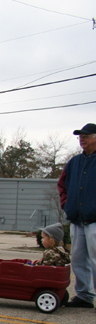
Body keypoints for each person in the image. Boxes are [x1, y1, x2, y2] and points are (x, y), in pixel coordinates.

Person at [58, 123, 96, 309]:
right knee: (79, 259)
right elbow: (62, 185)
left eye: (86, 135)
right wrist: (67, 205)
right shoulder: (74, 162)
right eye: (80, 136)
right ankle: (84, 296)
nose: (82, 138)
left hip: (94, 220)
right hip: (77, 220)